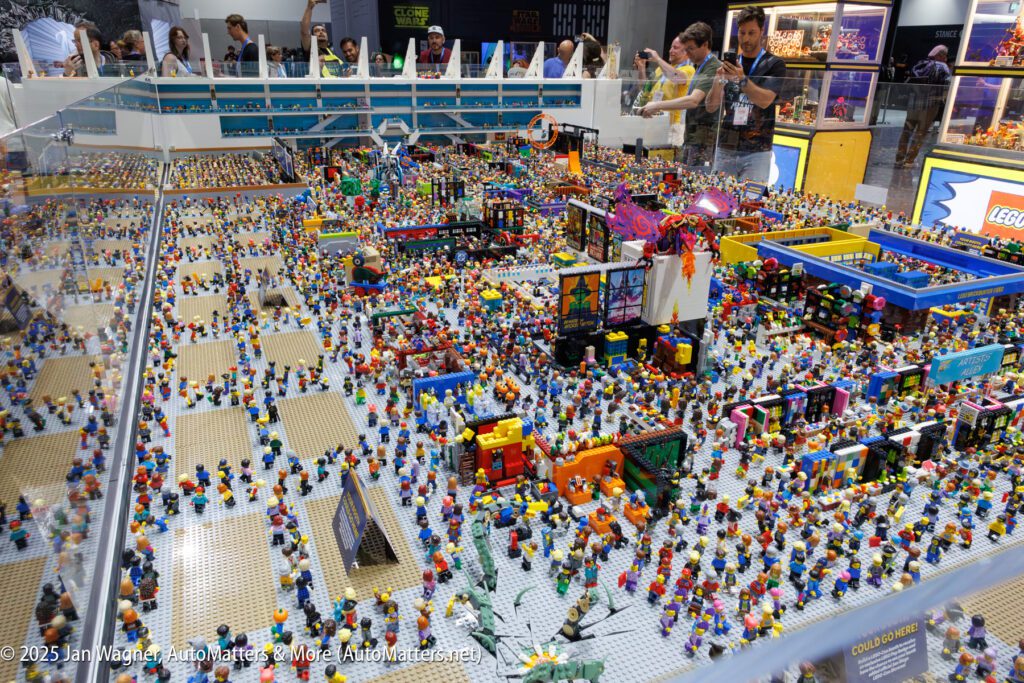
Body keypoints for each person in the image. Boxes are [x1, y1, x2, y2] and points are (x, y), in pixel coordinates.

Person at [706, 6, 787, 183]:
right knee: (718, 199)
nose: (746, 38)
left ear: (761, 32)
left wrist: (741, 79)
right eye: (742, 33)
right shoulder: (730, 64)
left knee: (750, 203)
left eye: (752, 33)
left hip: (758, 151)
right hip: (726, 146)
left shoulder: (774, 64)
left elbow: (765, 101)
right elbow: (711, 106)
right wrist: (718, 81)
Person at [639, 23, 721, 167]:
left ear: (705, 45)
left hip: (704, 139)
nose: (688, 53)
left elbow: (693, 100)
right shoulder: (699, 67)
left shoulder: (712, 67)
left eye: (690, 49)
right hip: (692, 135)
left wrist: (657, 105)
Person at [634, 33, 695, 147]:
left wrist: (657, 59)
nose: (671, 50)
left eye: (675, 48)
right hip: (654, 123)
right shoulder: (660, 70)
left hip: (672, 126)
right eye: (671, 47)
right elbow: (643, 89)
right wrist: (641, 68)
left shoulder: (689, 69)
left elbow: (675, 77)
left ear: (686, 53)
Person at [895, 45, 951, 168]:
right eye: (945, 55)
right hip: (930, 106)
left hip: (913, 104)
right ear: (940, 55)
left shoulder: (921, 63)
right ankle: (909, 160)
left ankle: (899, 158)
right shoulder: (943, 67)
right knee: (921, 133)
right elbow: (947, 86)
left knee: (907, 130)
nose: (946, 58)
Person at [300, 0, 347, 77]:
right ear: (312, 37)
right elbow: (304, 32)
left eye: (323, 30)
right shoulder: (311, 49)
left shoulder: (332, 52)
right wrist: (309, 7)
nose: (321, 32)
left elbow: (341, 73)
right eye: (317, 31)